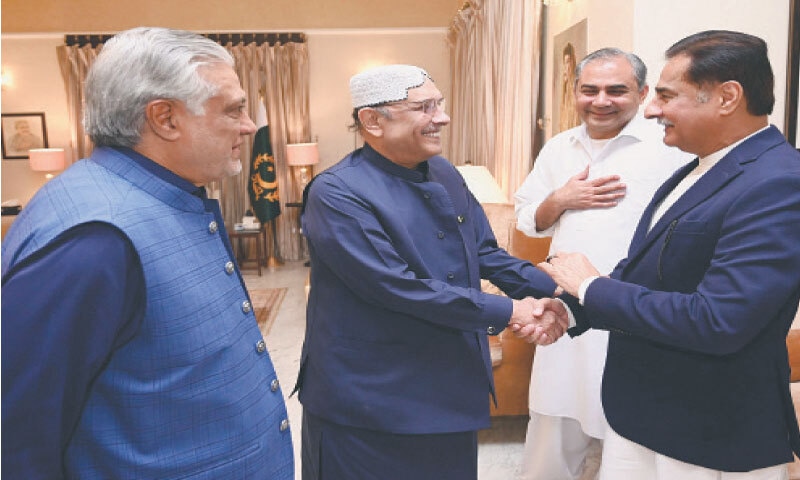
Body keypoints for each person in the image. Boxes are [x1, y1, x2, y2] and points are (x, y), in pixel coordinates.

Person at [1, 27, 294, 479]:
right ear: (165, 118)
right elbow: (18, 439)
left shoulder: (165, 195)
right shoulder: (94, 240)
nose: (249, 125)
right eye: (233, 109)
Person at [537, 30, 800, 479]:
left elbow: (719, 319)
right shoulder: (699, 165)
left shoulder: (778, 181)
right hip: (645, 412)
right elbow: (648, 273)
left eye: (665, 95)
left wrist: (590, 285)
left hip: (706, 427)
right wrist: (572, 308)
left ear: (726, 97)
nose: (652, 109)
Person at [295, 64, 569, 480]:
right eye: (423, 107)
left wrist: (568, 290)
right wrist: (511, 311)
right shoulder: (336, 192)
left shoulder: (444, 171)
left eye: (439, 104)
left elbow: (484, 253)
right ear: (372, 120)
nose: (441, 117)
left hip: (449, 382)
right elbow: (395, 287)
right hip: (370, 396)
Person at [514, 48, 691, 480]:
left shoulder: (671, 149)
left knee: (629, 436)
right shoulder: (558, 148)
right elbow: (525, 218)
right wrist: (560, 200)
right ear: (574, 92)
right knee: (553, 425)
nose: (601, 100)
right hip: (566, 309)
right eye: (589, 90)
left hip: (633, 310)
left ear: (644, 92)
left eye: (617, 90)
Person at [558, 42, 581, 133]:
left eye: (567, 62)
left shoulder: (576, 84)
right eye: (564, 62)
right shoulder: (565, 82)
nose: (566, 67)